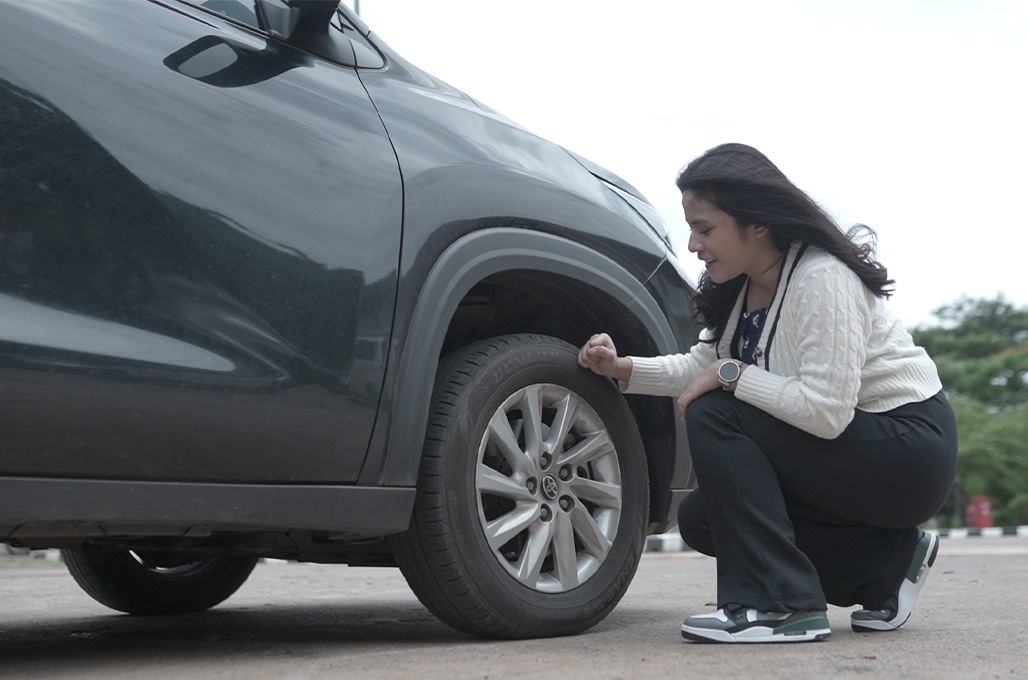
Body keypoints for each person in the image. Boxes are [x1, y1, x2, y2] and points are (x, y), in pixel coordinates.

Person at [578, 143, 957, 644]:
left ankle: (781, 607)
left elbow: (825, 413)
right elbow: (701, 366)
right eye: (690, 228)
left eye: (705, 229)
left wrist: (733, 375)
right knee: (704, 519)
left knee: (717, 410)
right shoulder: (743, 286)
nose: (693, 245)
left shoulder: (823, 277)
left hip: (905, 449)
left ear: (757, 224)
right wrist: (620, 368)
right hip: (849, 450)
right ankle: (886, 569)